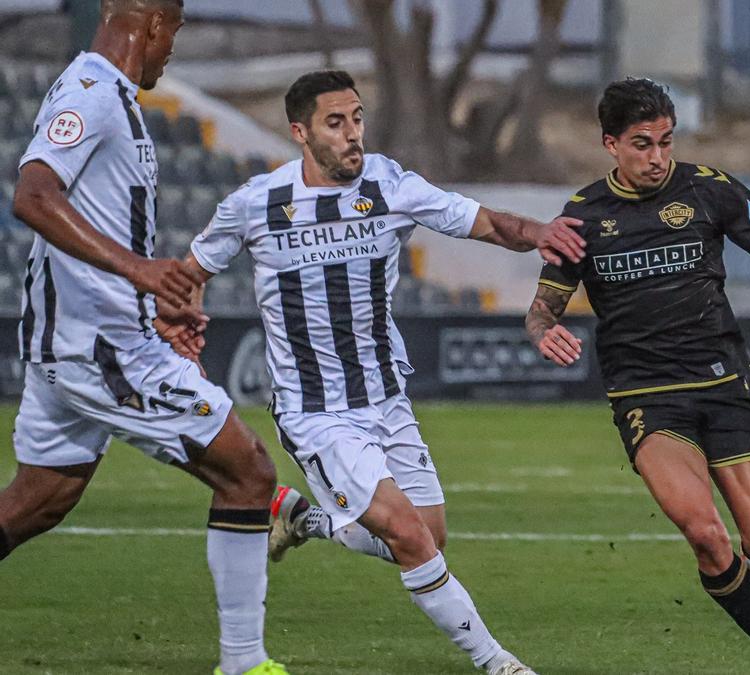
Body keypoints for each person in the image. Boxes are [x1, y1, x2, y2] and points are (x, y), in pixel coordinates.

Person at [158, 70, 585, 675]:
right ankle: (498, 663)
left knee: (428, 539)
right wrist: (177, 319)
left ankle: (302, 517)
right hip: (316, 411)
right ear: (300, 133)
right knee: (409, 538)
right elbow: (190, 270)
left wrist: (539, 232)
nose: (353, 134)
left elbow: (486, 222)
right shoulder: (256, 203)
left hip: (386, 399)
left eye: (357, 118)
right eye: (336, 123)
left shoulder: (390, 184)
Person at [524, 78, 750, 675]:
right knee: (706, 535)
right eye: (642, 144)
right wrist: (542, 328)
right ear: (610, 145)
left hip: (720, 384)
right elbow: (542, 306)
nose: (657, 158)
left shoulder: (710, 190)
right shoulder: (581, 217)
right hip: (646, 397)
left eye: (666, 142)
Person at [0, 2, 288, 674]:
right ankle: (245, 663)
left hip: (86, 336)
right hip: (97, 349)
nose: (172, 51)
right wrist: (141, 273)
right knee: (249, 474)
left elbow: (92, 216)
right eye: (176, 35)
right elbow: (33, 197)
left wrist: (146, 299)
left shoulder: (108, 95)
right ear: (154, 27)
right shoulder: (92, 93)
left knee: (39, 500)